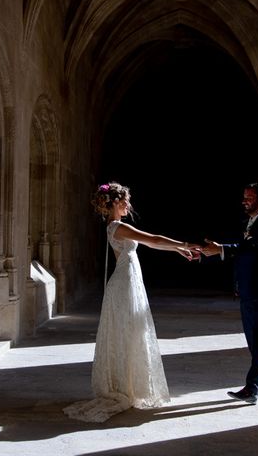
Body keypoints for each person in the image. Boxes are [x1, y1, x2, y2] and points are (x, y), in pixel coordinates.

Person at [63, 181, 200, 423]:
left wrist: (178, 250)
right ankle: (122, 387)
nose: (129, 204)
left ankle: (127, 384)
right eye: (125, 200)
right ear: (115, 203)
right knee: (129, 332)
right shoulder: (117, 226)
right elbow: (154, 239)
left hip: (128, 281)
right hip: (124, 284)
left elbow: (153, 243)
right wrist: (184, 244)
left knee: (130, 332)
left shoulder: (115, 226)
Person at [201, 182, 258, 404]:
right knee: (254, 341)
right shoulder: (249, 222)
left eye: (249, 197)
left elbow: (254, 250)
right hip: (250, 289)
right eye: (244, 197)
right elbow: (243, 254)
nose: (244, 200)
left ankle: (252, 388)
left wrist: (222, 249)